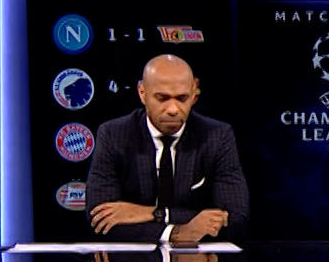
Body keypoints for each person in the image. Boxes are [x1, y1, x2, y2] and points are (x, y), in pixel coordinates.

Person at [86, 54, 250, 244]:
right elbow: (99, 220)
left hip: (199, 261)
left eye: (182, 98)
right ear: (142, 93)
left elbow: (236, 220)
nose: (173, 109)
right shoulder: (114, 135)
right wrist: (176, 232)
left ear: (194, 94)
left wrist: (155, 214)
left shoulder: (217, 136)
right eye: (162, 98)